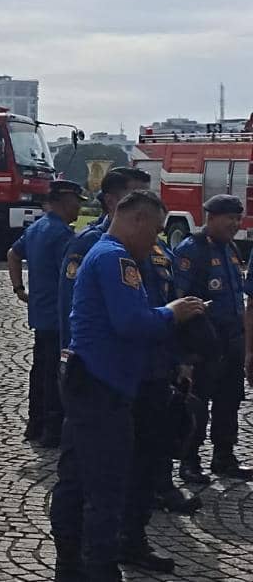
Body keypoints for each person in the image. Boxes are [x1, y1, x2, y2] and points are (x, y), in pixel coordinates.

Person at [48, 190, 205, 582]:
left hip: (93, 380)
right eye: (153, 230)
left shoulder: (108, 255)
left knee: (78, 477)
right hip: (102, 386)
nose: (155, 240)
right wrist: (173, 312)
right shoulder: (115, 258)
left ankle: (71, 565)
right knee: (104, 485)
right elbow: (132, 322)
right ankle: (98, 568)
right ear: (136, 219)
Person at [172, 194, 253, 482]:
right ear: (210, 217)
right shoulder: (191, 251)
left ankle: (224, 457)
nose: (234, 224)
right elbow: (178, 300)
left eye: (237, 218)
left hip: (231, 340)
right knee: (197, 403)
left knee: (229, 401)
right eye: (229, 218)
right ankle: (190, 461)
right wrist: (184, 354)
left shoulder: (230, 248)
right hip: (203, 344)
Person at [117, 232, 183, 574]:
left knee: (149, 458)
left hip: (157, 371)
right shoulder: (104, 251)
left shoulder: (156, 249)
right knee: (121, 465)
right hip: (126, 377)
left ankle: (132, 539)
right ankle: (108, 546)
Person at [7, 179, 85, 448]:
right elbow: (73, 278)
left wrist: (19, 289)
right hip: (59, 316)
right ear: (65, 200)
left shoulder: (37, 228)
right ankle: (53, 430)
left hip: (40, 314)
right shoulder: (63, 235)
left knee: (39, 370)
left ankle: (35, 423)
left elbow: (12, 255)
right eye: (76, 201)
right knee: (56, 373)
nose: (78, 207)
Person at [58, 167, 151, 349]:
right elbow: (71, 309)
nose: (146, 206)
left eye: (149, 198)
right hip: (104, 356)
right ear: (110, 201)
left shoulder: (155, 245)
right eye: (135, 199)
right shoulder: (87, 244)